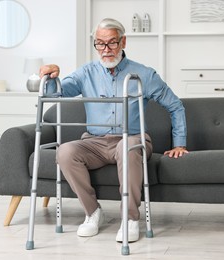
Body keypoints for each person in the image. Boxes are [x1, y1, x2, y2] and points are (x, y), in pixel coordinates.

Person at [39, 18, 189, 242]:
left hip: (133, 139)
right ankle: (93, 213)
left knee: (127, 147)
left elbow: (175, 105)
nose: (106, 50)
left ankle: (130, 219)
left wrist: (179, 143)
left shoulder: (144, 75)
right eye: (100, 43)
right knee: (65, 152)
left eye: (111, 43)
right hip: (94, 142)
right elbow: (55, 94)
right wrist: (51, 77)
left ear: (123, 42)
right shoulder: (86, 73)